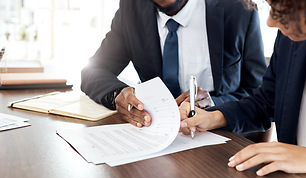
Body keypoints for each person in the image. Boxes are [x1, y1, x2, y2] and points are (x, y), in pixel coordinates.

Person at [179, 0, 306, 178]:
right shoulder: (292, 39)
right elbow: (265, 102)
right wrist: (213, 117)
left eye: (285, 8)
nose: (270, 22)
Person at [81, 0, 266, 128]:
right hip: (153, 131)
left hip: (219, 137)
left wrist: (212, 105)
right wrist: (117, 94)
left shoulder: (238, 8)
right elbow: (93, 70)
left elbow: (260, 93)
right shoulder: (132, 9)